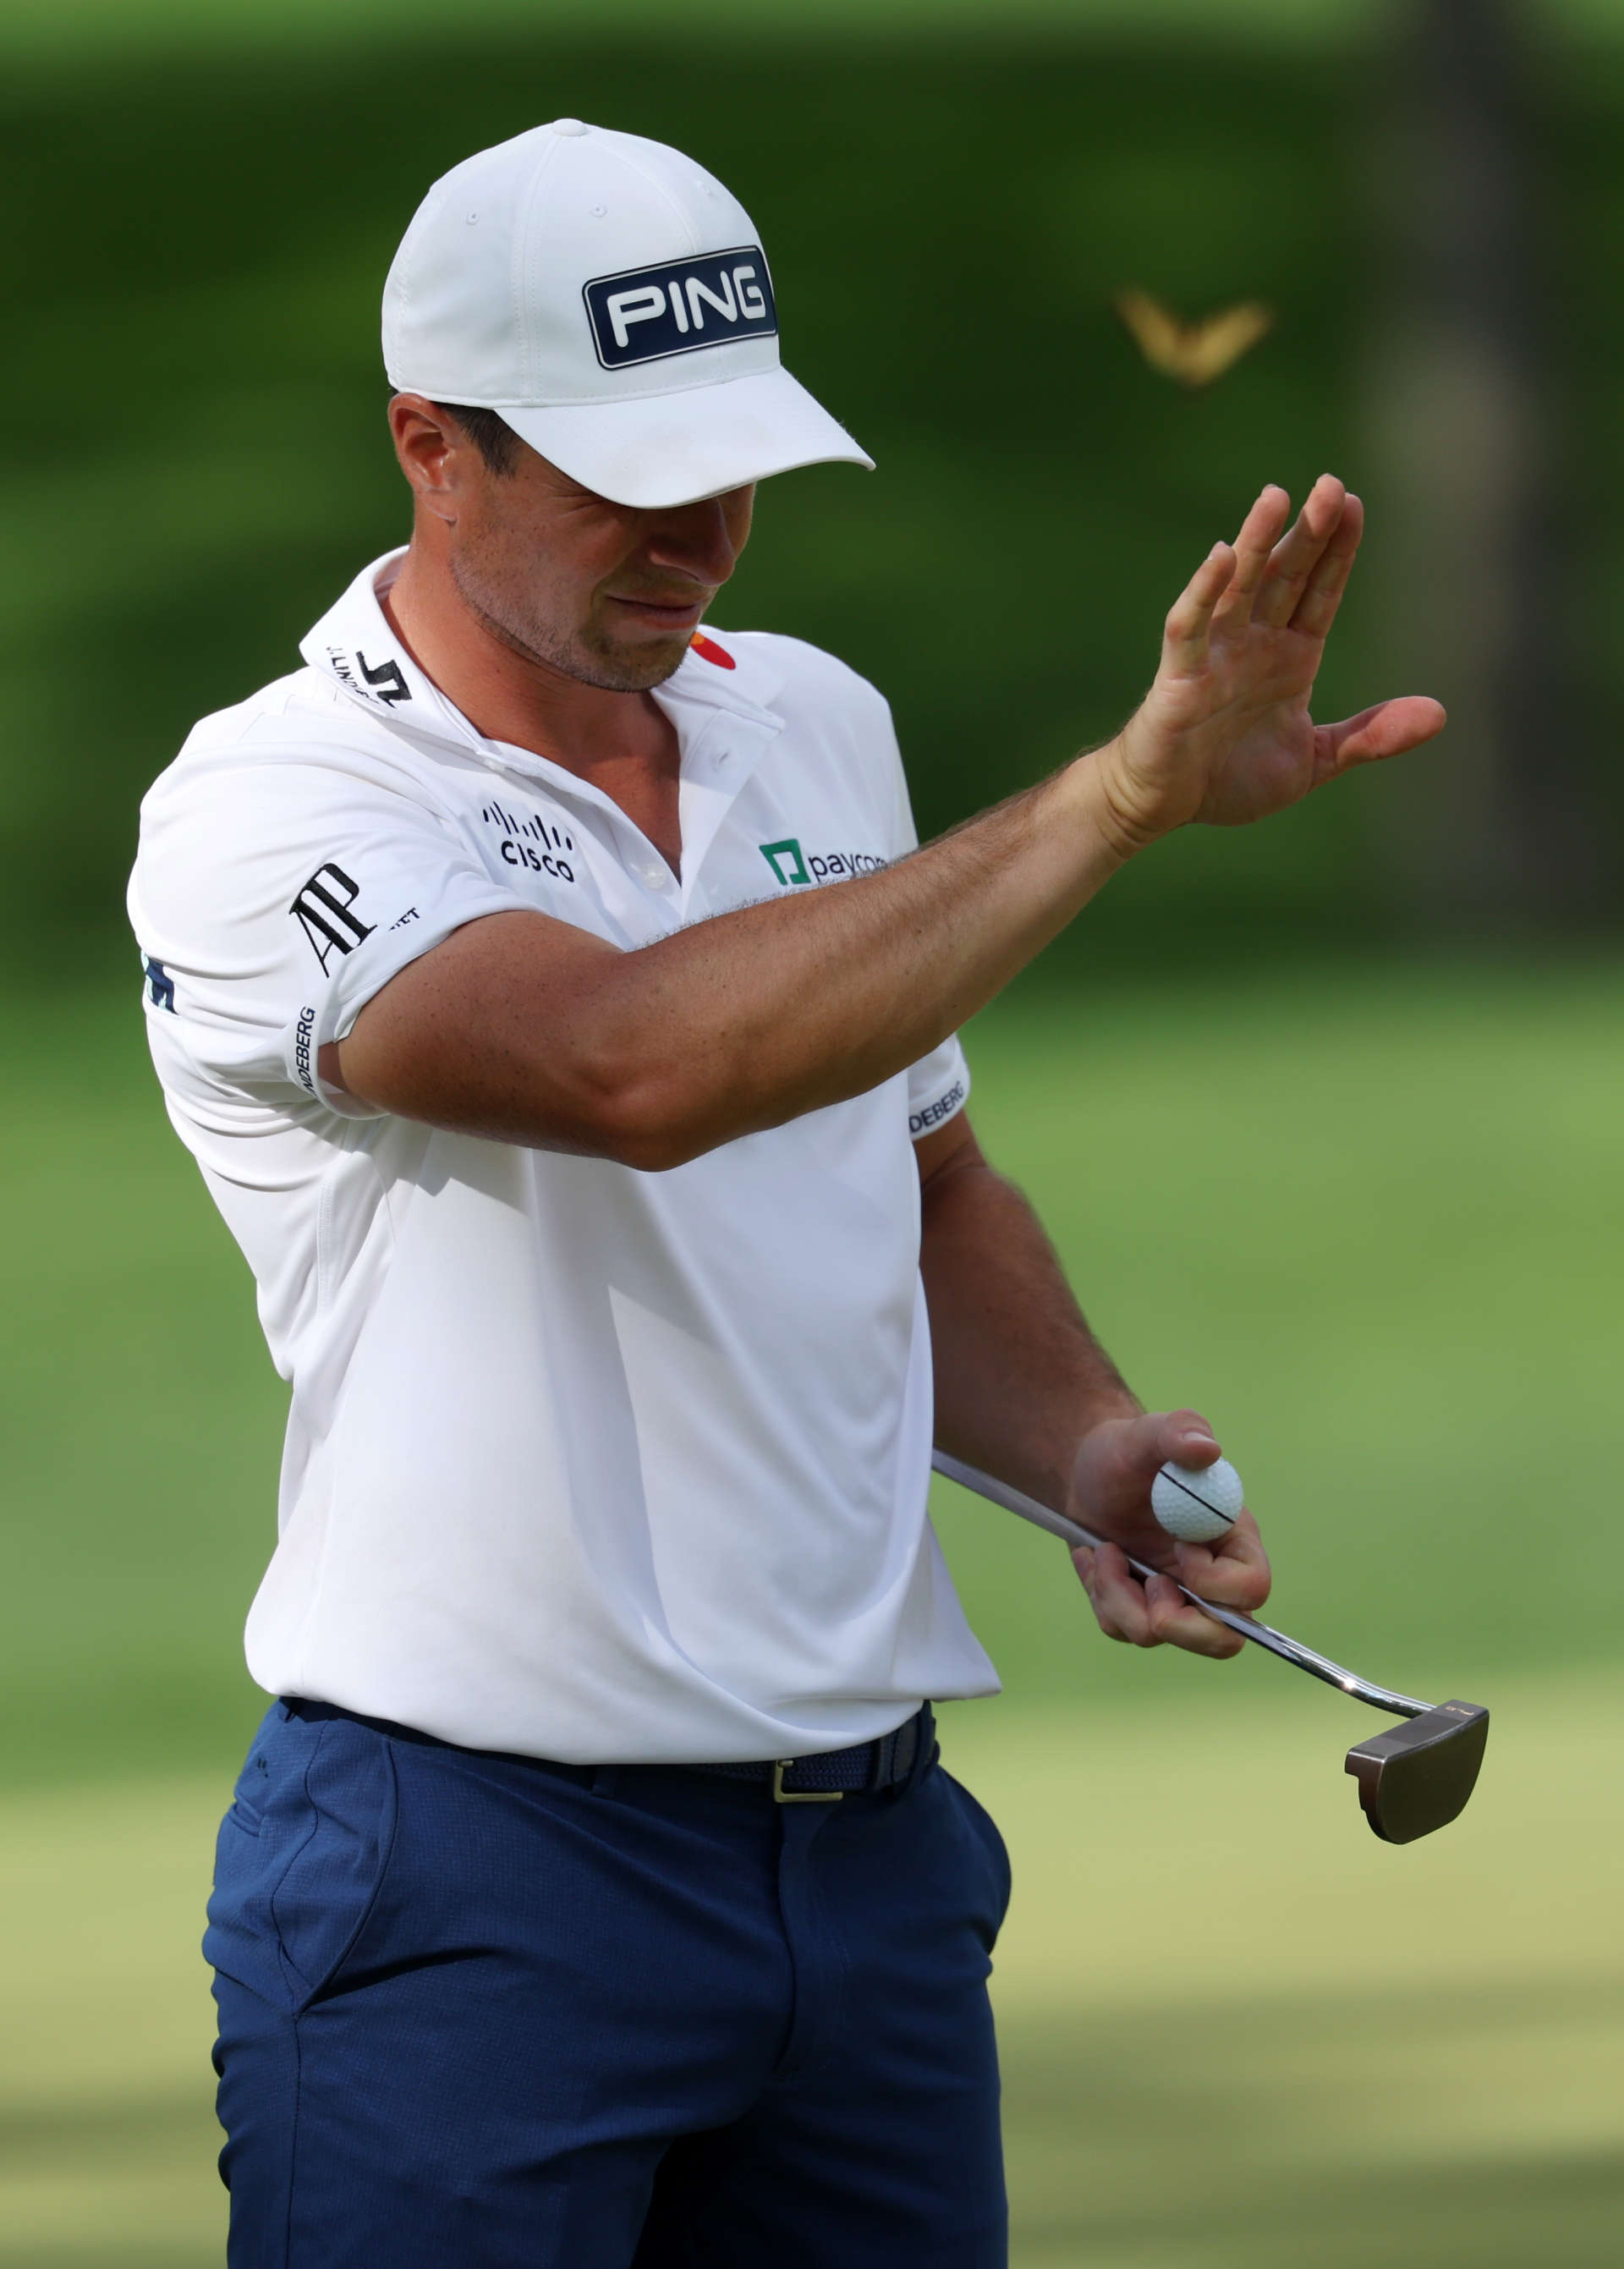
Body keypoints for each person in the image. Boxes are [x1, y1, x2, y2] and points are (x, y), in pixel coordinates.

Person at [127, 119, 1444, 2269]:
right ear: (429, 445)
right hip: (471, 1879)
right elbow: (629, 1066)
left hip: (871, 1876)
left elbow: (914, 1183)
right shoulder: (276, 800)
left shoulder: (817, 725)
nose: (705, 533)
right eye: (623, 476)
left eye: (731, 463)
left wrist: (1082, 1435)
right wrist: (1122, 796)